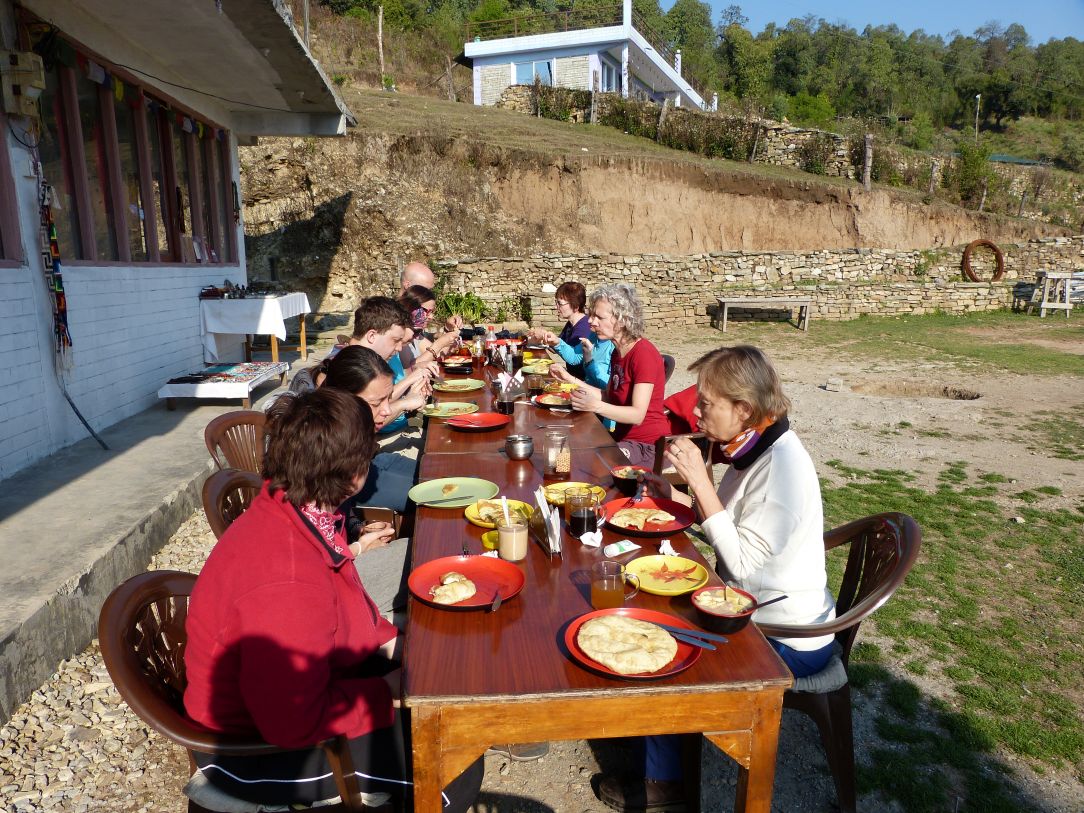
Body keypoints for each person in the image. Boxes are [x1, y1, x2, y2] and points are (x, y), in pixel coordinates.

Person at [184, 388, 483, 811]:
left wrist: (394, 643)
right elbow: (291, 721)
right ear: (355, 474)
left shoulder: (298, 508)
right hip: (254, 751)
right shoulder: (287, 582)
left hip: (296, 696)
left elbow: (347, 603)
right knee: (455, 762)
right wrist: (387, 690)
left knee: (447, 697)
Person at [593, 345, 836, 813]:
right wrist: (674, 494)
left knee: (659, 637)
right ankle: (651, 733)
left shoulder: (782, 466)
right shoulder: (752, 446)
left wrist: (700, 483)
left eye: (707, 403)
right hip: (750, 603)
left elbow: (742, 564)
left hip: (785, 634)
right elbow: (730, 523)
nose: (696, 410)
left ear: (743, 409)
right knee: (650, 605)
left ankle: (663, 781)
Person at [551, 283, 669, 467]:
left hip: (647, 446)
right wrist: (570, 379)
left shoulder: (643, 354)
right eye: (591, 315)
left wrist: (595, 406)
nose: (591, 321)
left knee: (592, 464)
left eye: (599, 317)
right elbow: (608, 396)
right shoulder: (617, 352)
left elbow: (637, 415)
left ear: (622, 320)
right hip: (623, 439)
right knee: (565, 450)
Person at [398, 285, 459, 370]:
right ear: (411, 308)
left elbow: (438, 354)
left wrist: (448, 330)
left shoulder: (416, 334)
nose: (431, 316)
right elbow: (409, 369)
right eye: (427, 311)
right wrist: (439, 343)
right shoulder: (401, 335)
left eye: (432, 312)